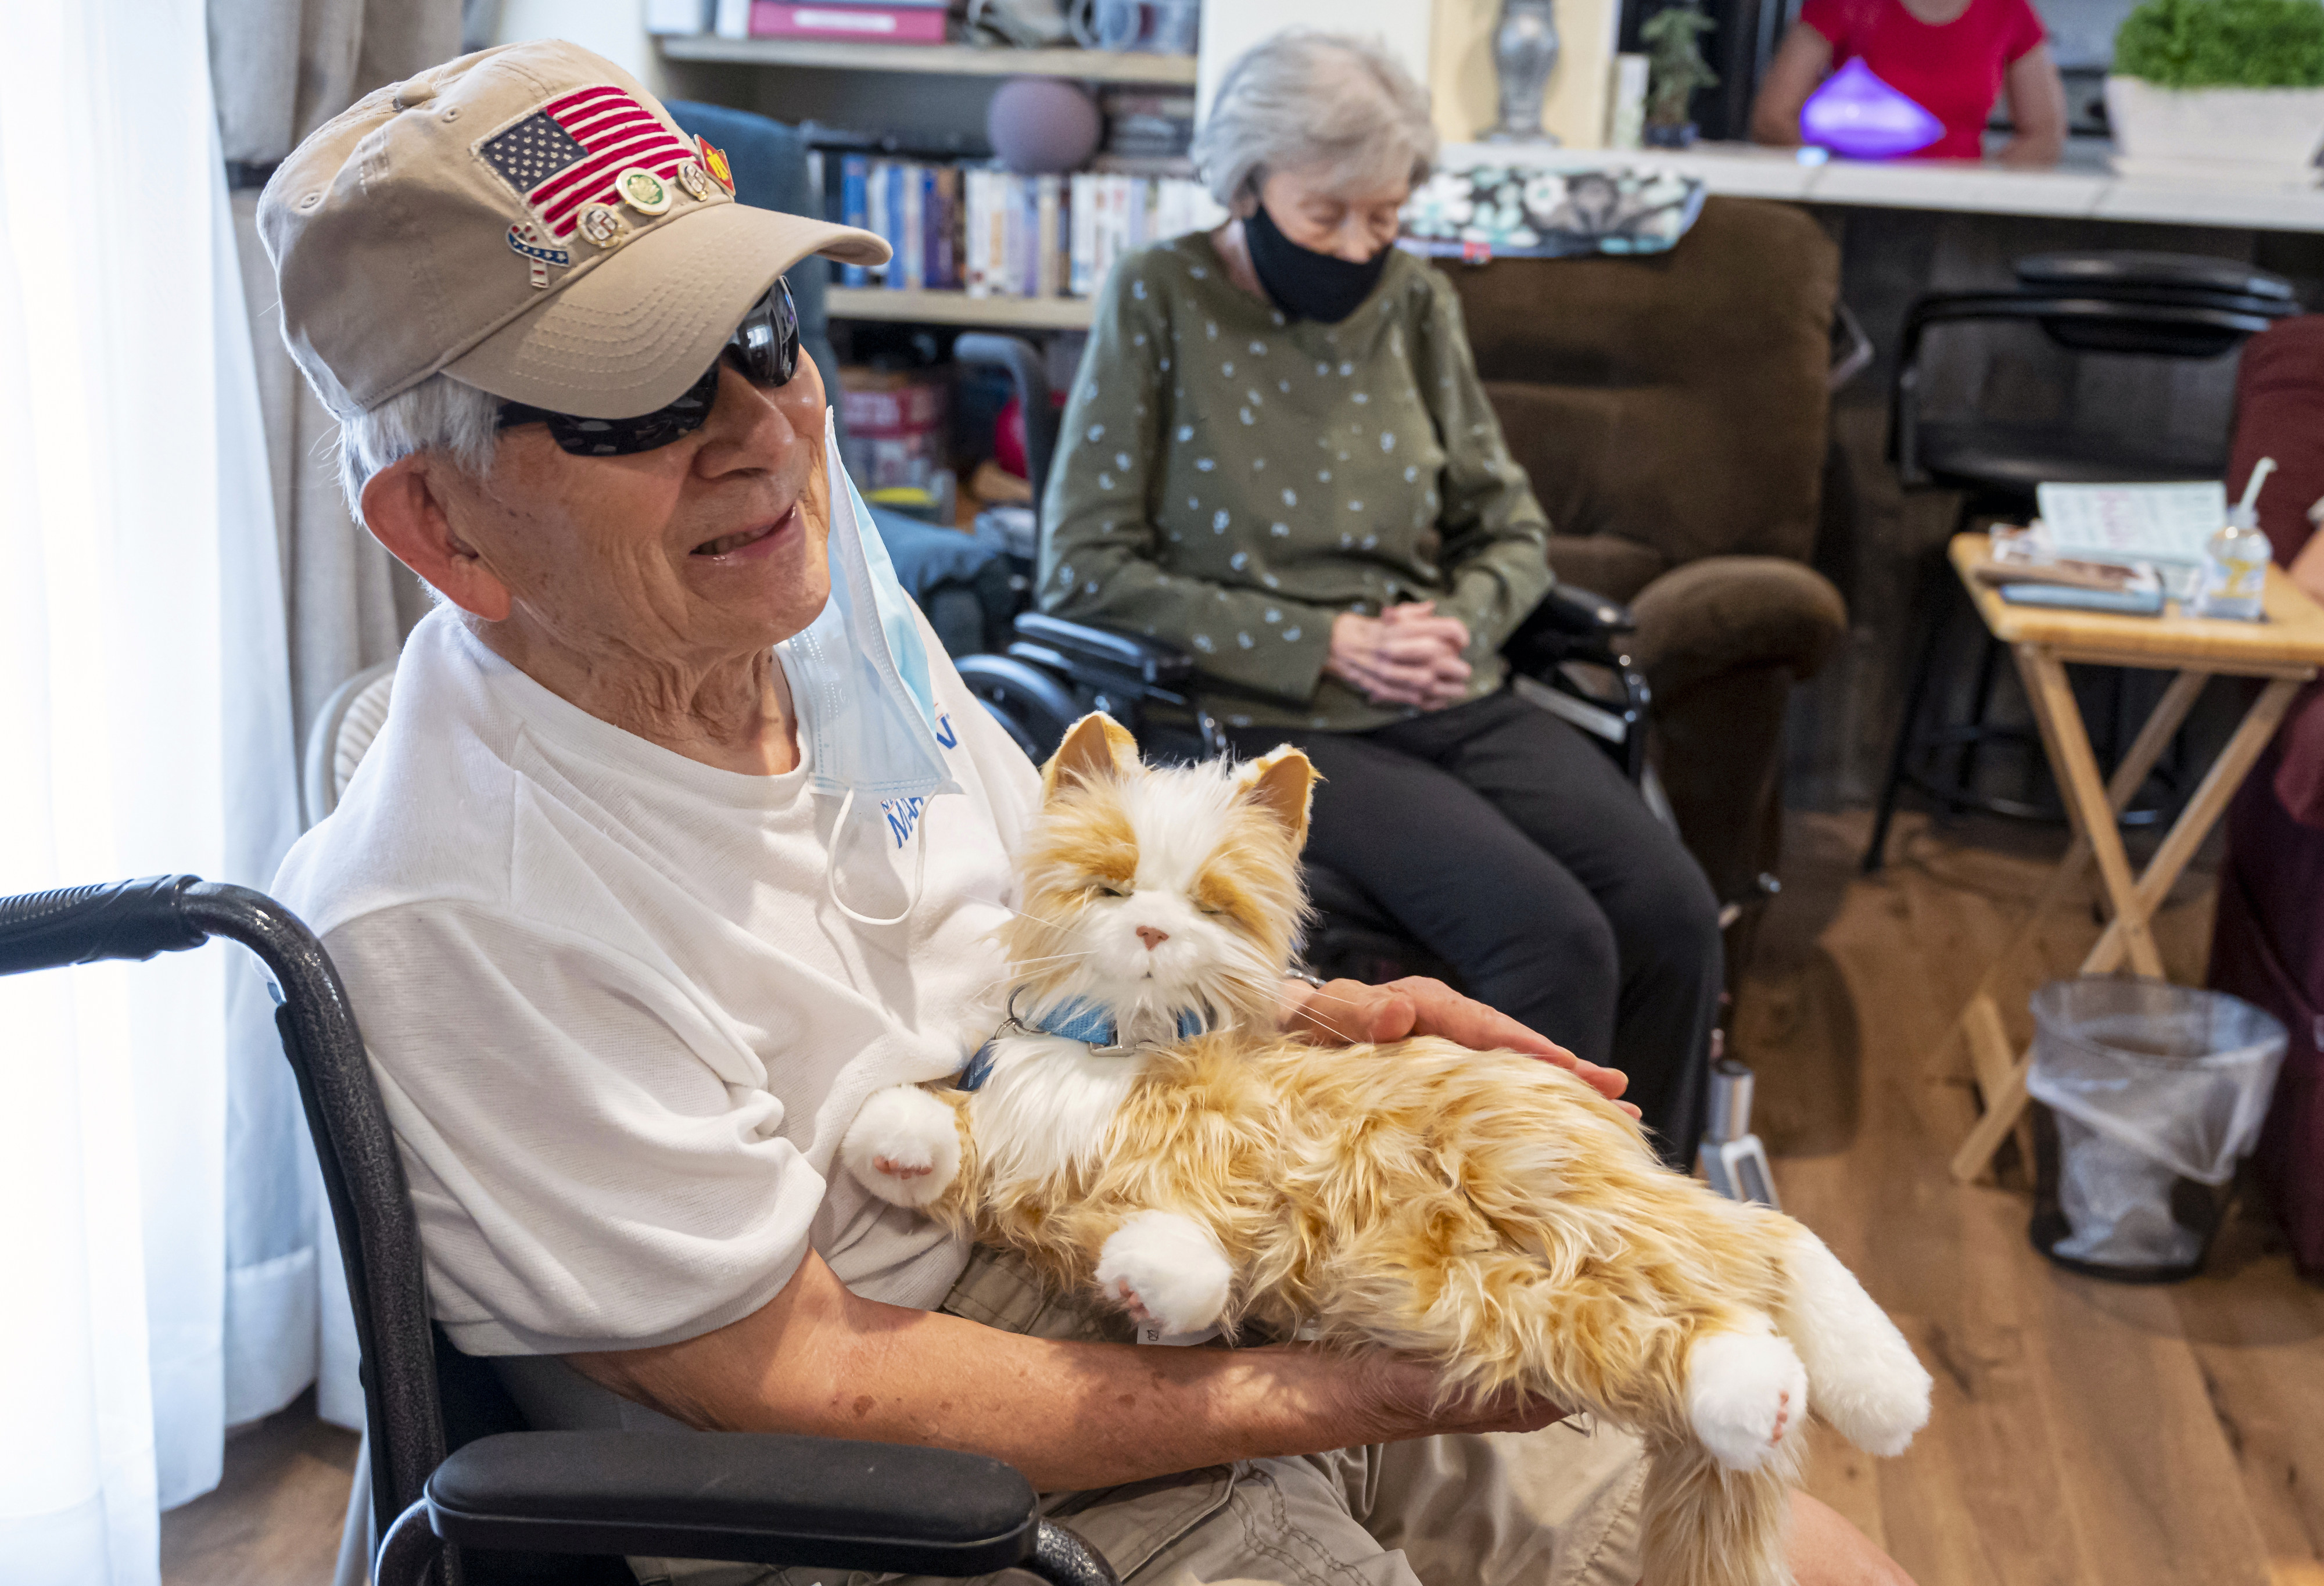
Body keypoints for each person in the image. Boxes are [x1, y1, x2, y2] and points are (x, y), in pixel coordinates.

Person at [263, 37, 1912, 1586]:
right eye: (640, 402)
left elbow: (1023, 946)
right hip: (914, 1483)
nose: (765, 433)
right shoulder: (453, 908)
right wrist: (1353, 1387)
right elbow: (801, 1374)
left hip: (1146, 1226)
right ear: (440, 528)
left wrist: (1302, 1014)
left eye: (765, 336)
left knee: (1807, 1555)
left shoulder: (810, 602)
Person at [1039, 30, 1725, 1160]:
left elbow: (1506, 524)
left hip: (1447, 685)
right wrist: (1326, 641)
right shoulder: (1158, 296)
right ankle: (1521, 1258)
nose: (1359, 246)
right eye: (1325, 217)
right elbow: (1082, 569)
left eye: (1386, 217)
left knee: (1671, 916)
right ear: (1246, 178)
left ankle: (1658, 1220)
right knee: (1551, 937)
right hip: (1273, 712)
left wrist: (1458, 619)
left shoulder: (1411, 301)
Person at [1749, 0, 2067, 165]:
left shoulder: (2009, 10)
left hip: (1960, 212)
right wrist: (1835, 170)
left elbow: (2044, 135)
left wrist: (1983, 185)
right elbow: (1773, 118)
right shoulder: (1841, 5)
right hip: (1853, 203)